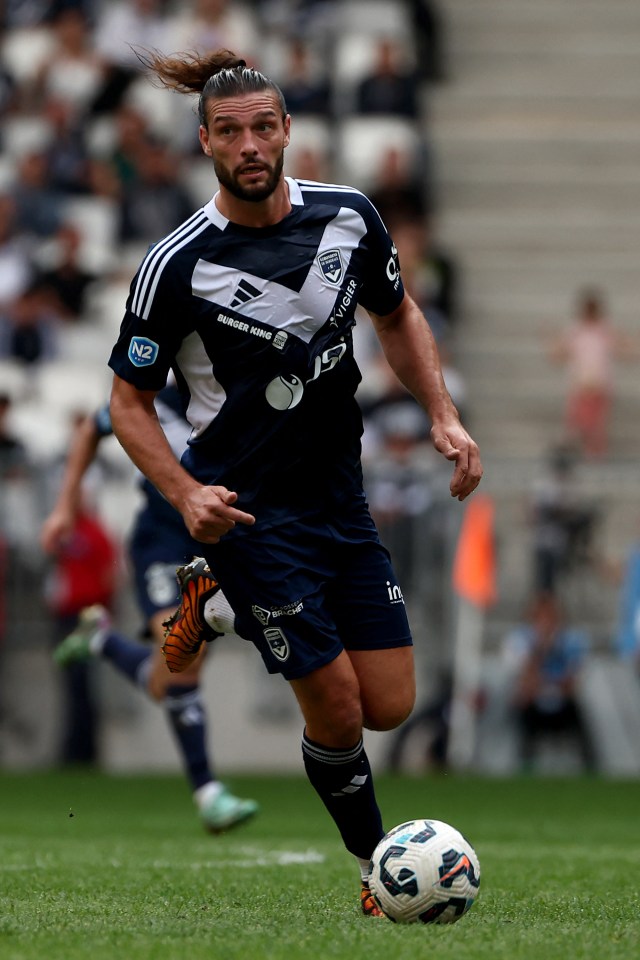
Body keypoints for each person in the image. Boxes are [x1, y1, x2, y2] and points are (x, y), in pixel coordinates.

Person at [106, 49, 482, 916]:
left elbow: (399, 315)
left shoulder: (349, 218)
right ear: (204, 142)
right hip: (245, 512)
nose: (249, 144)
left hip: (338, 497)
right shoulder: (178, 263)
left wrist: (444, 414)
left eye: (263, 127)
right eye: (229, 131)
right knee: (341, 709)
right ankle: (375, 872)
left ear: (286, 131)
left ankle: (219, 607)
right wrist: (184, 495)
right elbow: (127, 403)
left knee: (391, 703)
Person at [41, 384, 259, 831]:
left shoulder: (245, 395)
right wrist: (65, 508)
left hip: (221, 545)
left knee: (171, 679)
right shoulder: (154, 399)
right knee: (184, 660)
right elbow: (90, 429)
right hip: (162, 545)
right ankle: (208, 793)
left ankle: (100, 639)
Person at [502, 592, 594, 772]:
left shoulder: (573, 640)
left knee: (580, 715)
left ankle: (590, 767)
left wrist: (547, 682)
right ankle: (524, 765)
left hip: (562, 701)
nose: (546, 622)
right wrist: (540, 649)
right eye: (541, 617)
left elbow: (572, 682)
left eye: (550, 616)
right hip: (533, 702)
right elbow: (525, 681)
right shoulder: (520, 639)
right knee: (521, 707)